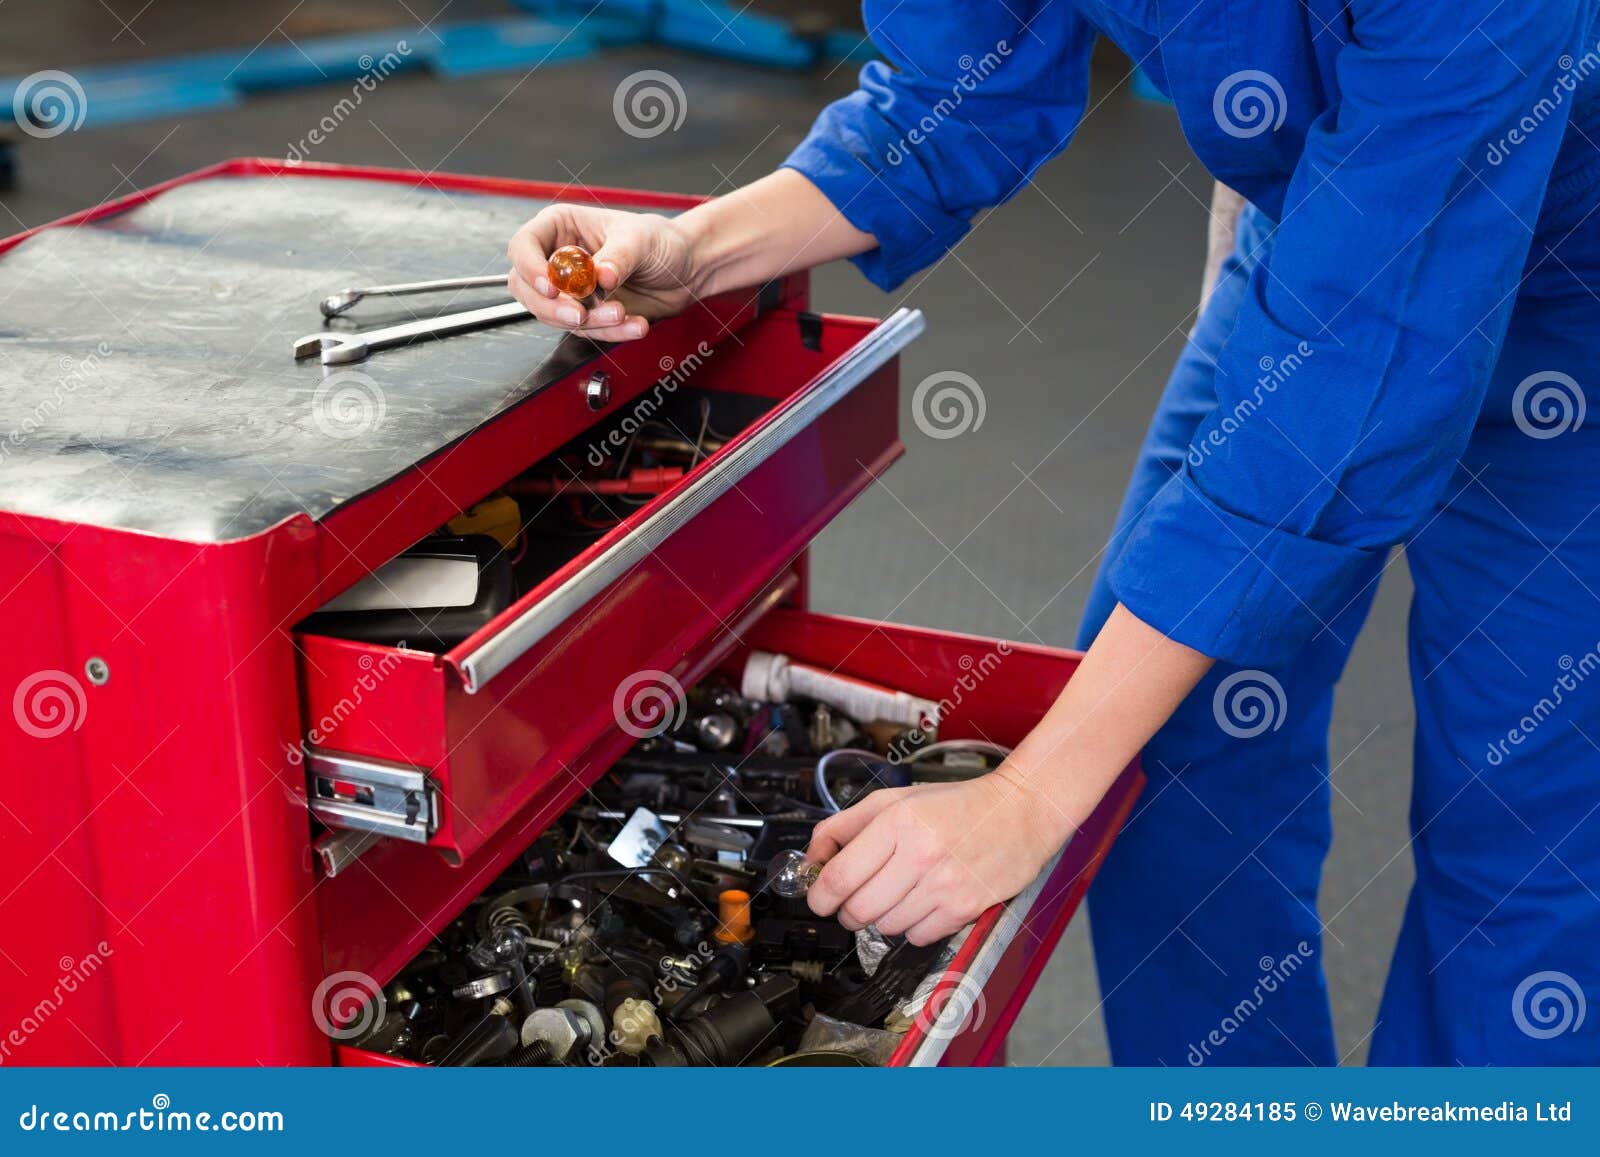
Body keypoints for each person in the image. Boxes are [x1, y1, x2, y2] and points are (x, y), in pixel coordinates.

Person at [508, 2, 1600, 1065]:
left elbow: (1362, 365)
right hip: (1320, 227)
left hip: (1567, 296)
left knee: (1522, 838)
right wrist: (694, 251)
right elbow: (953, 89)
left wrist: (1028, 798)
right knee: (1163, 757)